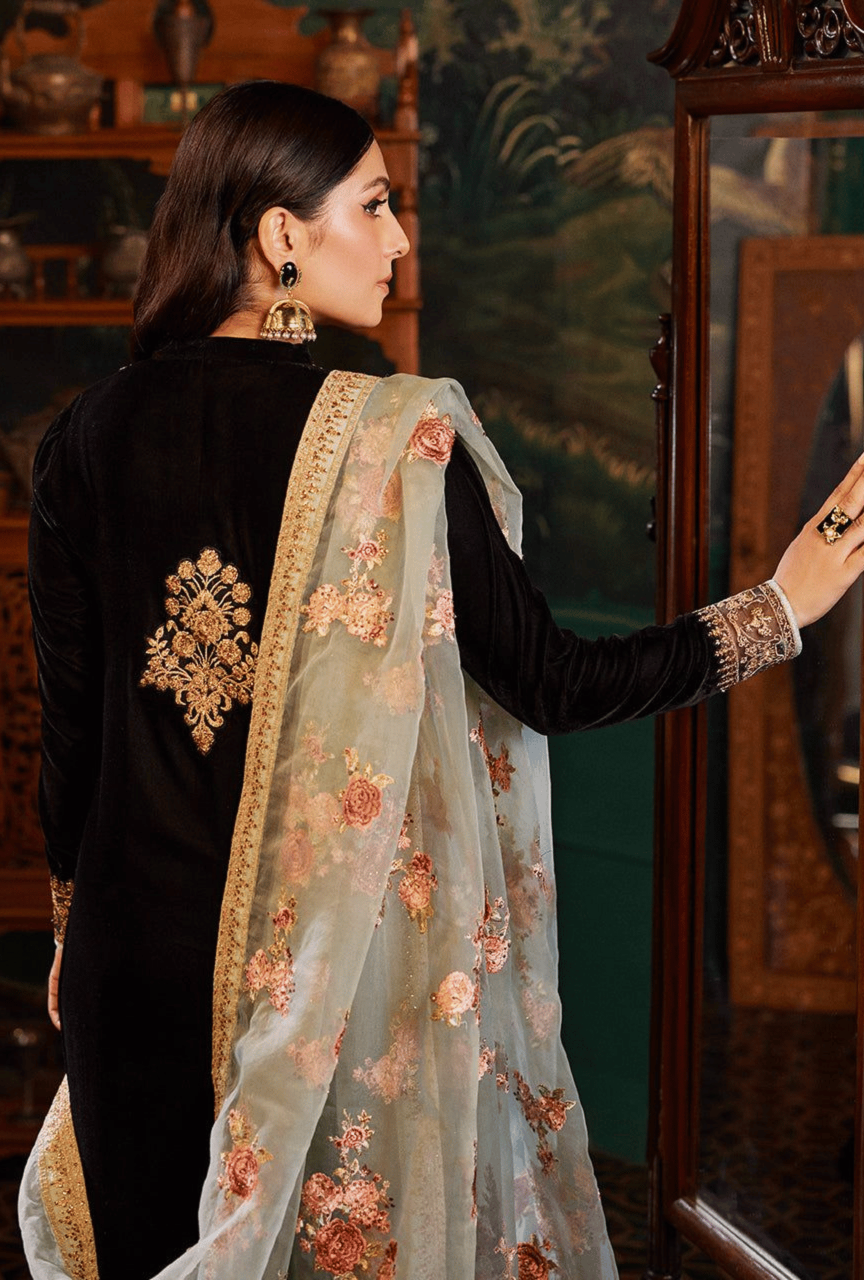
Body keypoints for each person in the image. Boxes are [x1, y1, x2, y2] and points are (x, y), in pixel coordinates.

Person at [16, 80, 864, 1280]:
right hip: (315, 985)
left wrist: (67, 933)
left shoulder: (82, 433)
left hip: (124, 959)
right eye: (374, 203)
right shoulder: (397, 439)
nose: (401, 235)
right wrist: (780, 609)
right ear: (280, 237)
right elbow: (555, 682)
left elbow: (76, 734)